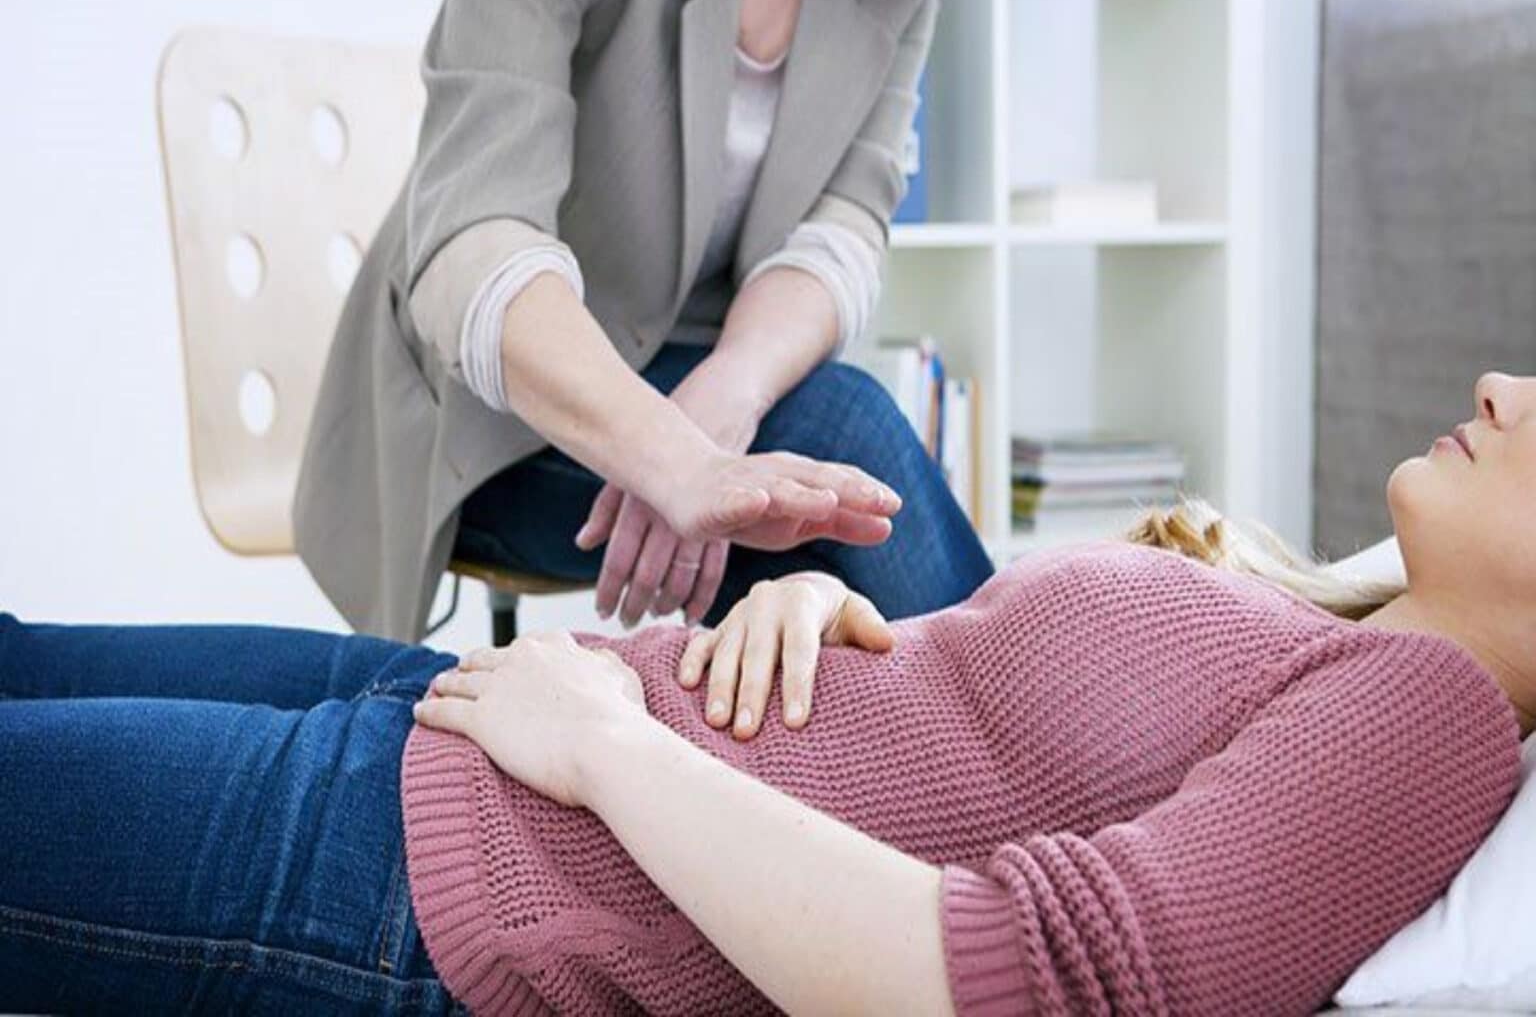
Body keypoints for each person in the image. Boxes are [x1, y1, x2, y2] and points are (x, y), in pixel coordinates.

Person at [5, 373, 1533, 1013]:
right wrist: (837, 611)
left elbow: (1025, 985)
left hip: (443, 874)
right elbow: (985, 748)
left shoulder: (1437, 718)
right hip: (469, 726)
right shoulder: (1346, 634)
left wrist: (607, 754)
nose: (1502, 390)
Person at [292, 0, 993, 640]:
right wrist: (683, 465)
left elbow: (845, 223)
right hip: (485, 402)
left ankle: (997, 709)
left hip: (700, 370)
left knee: (814, 564)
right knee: (838, 451)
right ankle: (1017, 701)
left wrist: (732, 390)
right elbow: (478, 248)